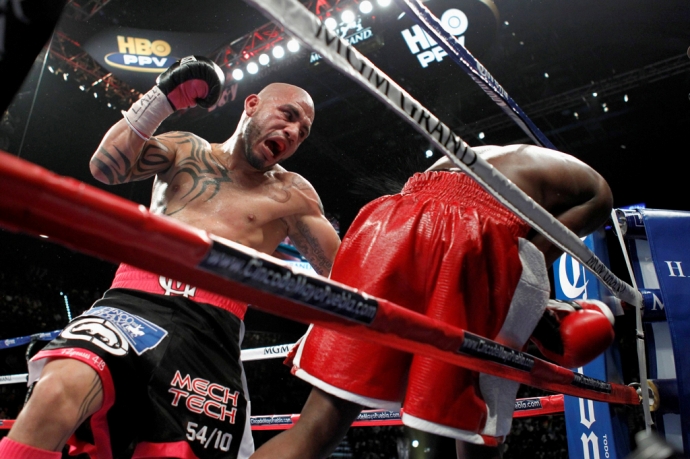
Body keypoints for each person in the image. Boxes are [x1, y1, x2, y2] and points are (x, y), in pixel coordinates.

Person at [0, 56, 340, 459]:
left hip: (212, 329)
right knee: (56, 391)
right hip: (133, 304)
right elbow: (106, 167)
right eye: (288, 115)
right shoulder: (186, 149)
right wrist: (162, 99)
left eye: (303, 132)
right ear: (252, 104)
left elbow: (343, 273)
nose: (293, 131)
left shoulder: (293, 195)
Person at [248, 144, 616, 459]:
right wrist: (541, 325)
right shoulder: (599, 196)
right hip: (471, 231)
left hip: (391, 219)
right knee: (478, 425)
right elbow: (527, 265)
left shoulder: (517, 163)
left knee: (321, 423)